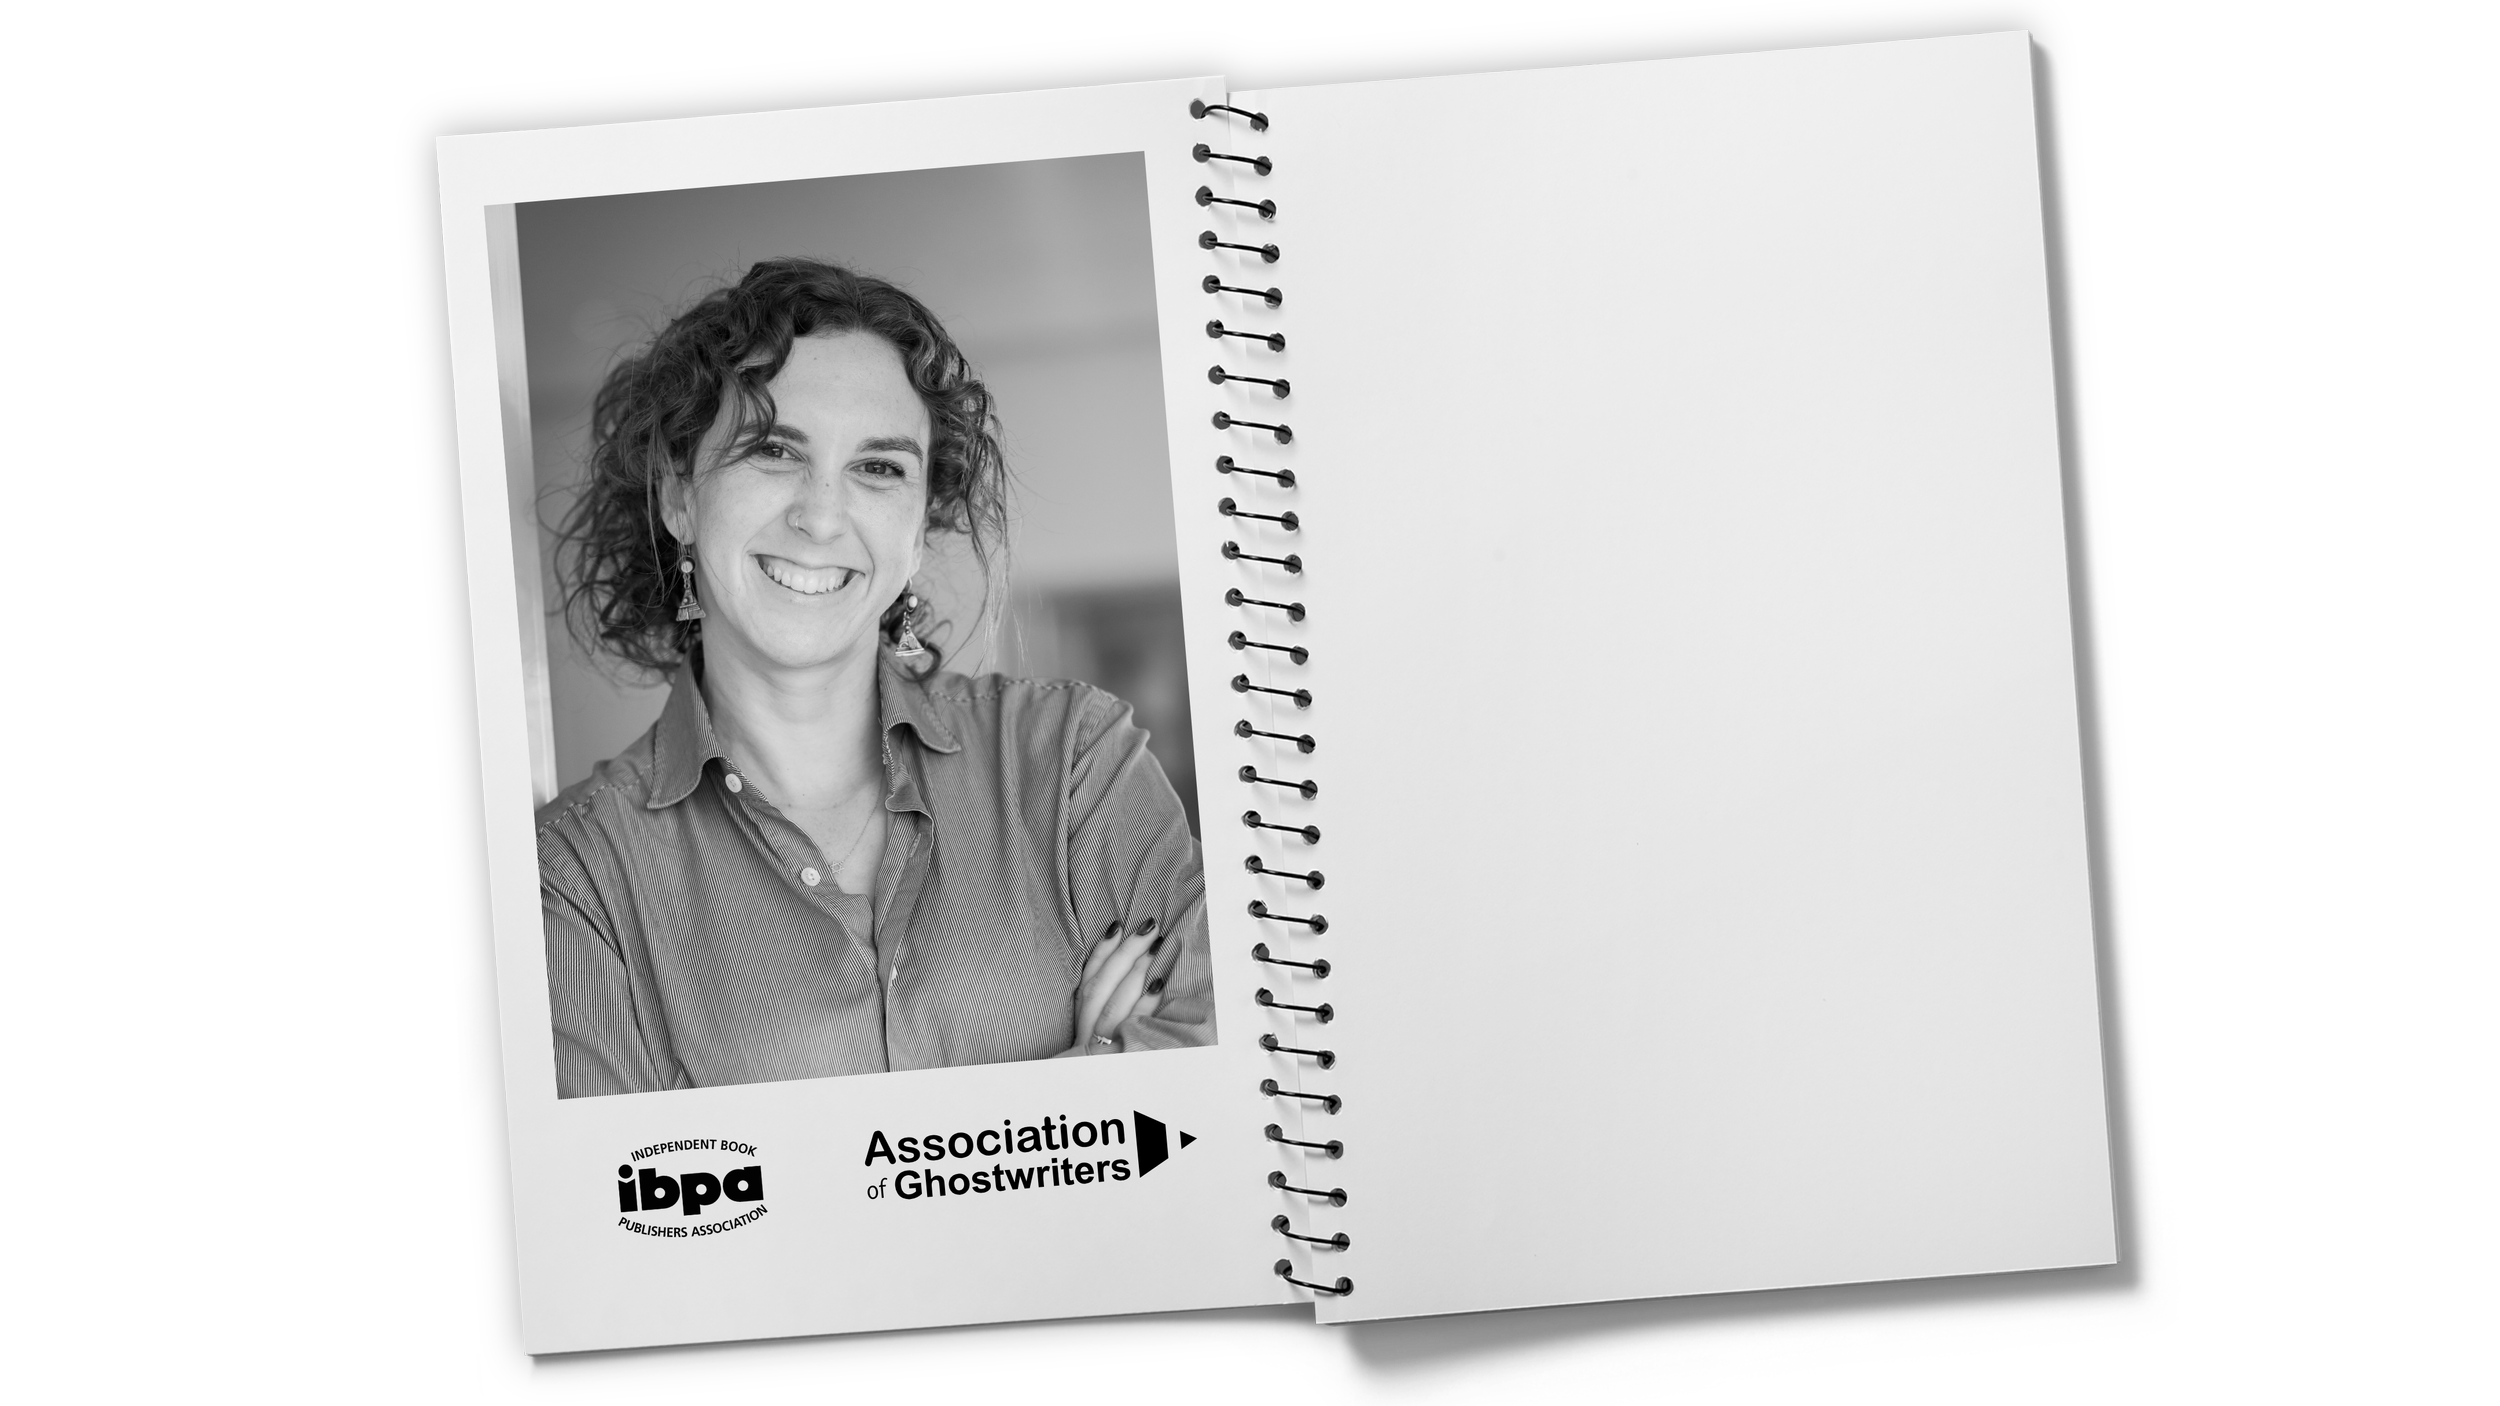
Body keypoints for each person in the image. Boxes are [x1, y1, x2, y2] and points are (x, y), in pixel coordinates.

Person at [536, 258, 1212, 1097]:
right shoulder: (572, 876)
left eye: (879, 468)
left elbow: (1209, 1093)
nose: (821, 516)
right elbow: (628, 1213)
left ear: (919, 529)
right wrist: (1085, 1088)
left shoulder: (1072, 760)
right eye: (773, 450)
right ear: (680, 499)